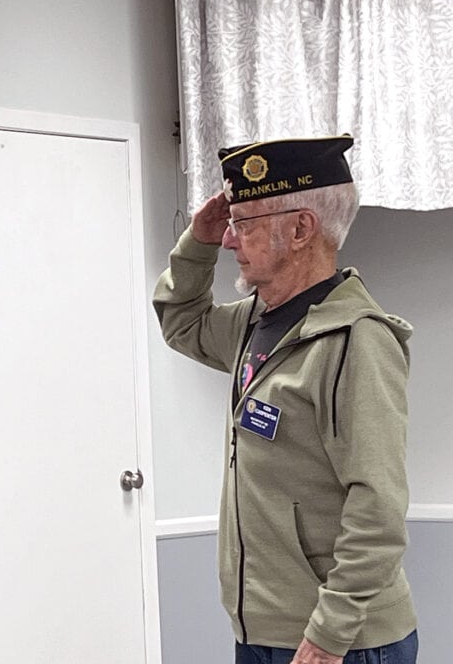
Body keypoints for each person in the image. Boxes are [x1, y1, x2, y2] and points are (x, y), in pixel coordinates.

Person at [153, 136, 418, 664]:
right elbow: (181, 321)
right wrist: (197, 242)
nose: (231, 240)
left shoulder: (357, 341)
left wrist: (328, 634)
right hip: (264, 629)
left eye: (244, 223)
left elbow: (378, 507)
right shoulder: (255, 322)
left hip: (339, 642)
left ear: (300, 230)